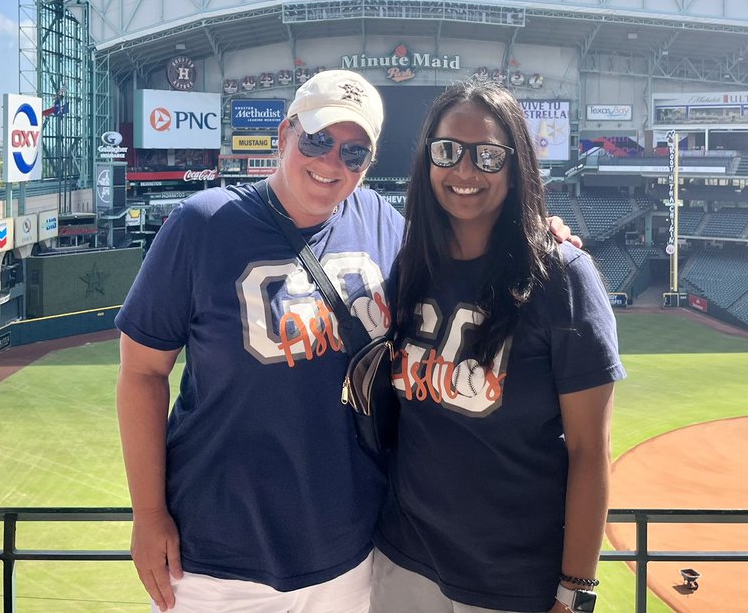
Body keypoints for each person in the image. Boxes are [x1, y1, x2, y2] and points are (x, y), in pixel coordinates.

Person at [116, 69, 580, 613]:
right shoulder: (202, 224)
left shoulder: (384, 223)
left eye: (355, 153)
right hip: (215, 558)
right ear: (286, 133)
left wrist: (537, 230)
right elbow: (142, 374)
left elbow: (466, 244)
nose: (333, 162)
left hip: (353, 555)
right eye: (318, 139)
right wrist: (148, 515)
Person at [371, 79, 625, 613]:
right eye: (448, 152)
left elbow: (589, 452)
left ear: (516, 167)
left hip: (513, 580)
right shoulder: (412, 264)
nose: (465, 171)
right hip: (402, 558)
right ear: (427, 160)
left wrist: (576, 590)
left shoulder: (563, 278)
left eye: (488, 155)